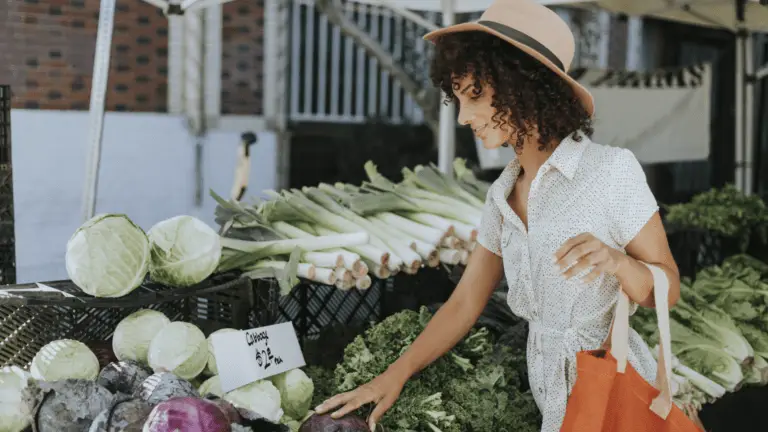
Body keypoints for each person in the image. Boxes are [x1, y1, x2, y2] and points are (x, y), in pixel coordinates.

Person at [315, 0, 681, 431]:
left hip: (612, 390)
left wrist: (618, 263)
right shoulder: (501, 195)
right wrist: (392, 376)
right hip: (550, 394)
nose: (465, 116)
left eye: (475, 95)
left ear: (525, 87)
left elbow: (668, 288)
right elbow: (466, 302)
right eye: (458, 98)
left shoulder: (609, 171)